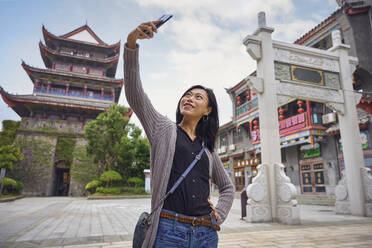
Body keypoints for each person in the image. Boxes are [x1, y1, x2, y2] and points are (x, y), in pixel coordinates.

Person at [125, 20, 235, 248]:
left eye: (198, 97)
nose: (189, 98)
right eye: (187, 94)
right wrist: (132, 44)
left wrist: (219, 214)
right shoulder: (163, 129)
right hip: (168, 230)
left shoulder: (208, 149)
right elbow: (136, 95)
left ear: (208, 111)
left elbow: (227, 187)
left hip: (206, 232)